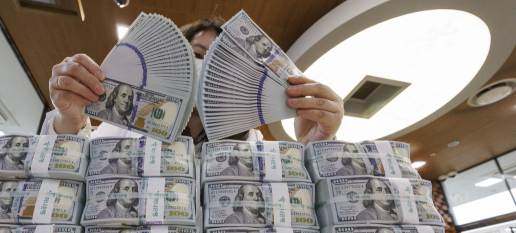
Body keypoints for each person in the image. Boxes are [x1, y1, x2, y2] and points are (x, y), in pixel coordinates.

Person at [42, 17, 344, 153]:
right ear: (176, 63)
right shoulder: (127, 124)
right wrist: (68, 119)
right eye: (197, 56)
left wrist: (313, 148)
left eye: (221, 62)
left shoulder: (256, 145)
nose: (208, 69)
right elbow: (70, 168)